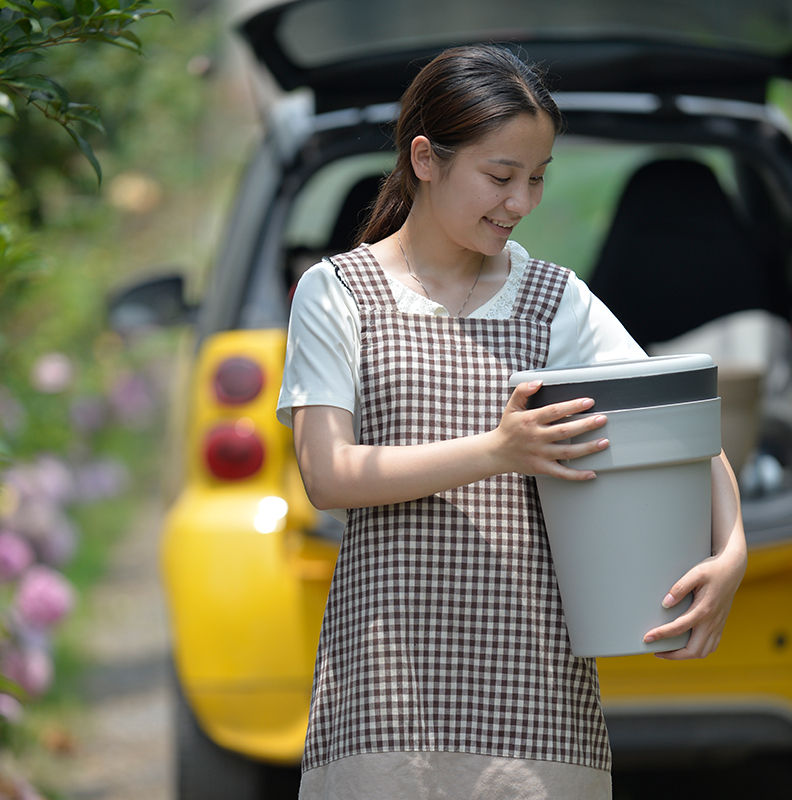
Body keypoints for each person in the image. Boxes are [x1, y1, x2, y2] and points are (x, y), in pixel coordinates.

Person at [277, 44, 747, 800]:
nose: (522, 201)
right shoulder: (338, 295)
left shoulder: (555, 299)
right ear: (425, 159)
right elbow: (329, 476)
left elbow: (681, 422)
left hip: (535, 703)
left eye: (536, 178)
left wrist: (732, 549)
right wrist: (499, 450)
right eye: (500, 177)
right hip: (383, 697)